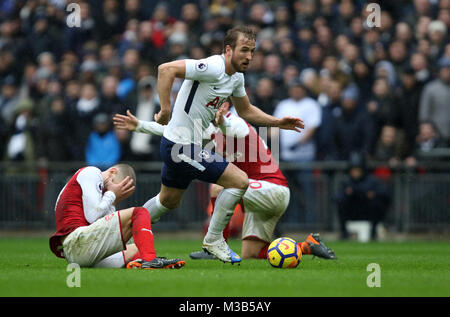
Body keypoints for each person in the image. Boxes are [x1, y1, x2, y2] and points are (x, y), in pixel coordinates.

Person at [140, 26, 304, 264]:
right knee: (239, 181)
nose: (249, 56)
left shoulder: (236, 78)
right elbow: (166, 69)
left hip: (184, 146)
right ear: (228, 50)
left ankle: (125, 229)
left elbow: (247, 111)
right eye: (244, 50)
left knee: (168, 201)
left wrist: (277, 122)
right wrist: (165, 109)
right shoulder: (213, 66)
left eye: (252, 51)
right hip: (180, 146)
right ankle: (214, 239)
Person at [113, 103, 336, 261]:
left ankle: (216, 247)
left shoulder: (235, 121)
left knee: (220, 185)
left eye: (219, 105)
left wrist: (222, 123)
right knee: (251, 253)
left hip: (273, 189)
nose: (213, 109)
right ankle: (308, 246)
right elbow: (171, 131)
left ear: (226, 106)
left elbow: (232, 129)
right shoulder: (208, 129)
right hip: (260, 195)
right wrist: (139, 126)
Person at [49, 163, 185, 269]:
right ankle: (150, 260)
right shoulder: (91, 172)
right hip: (76, 242)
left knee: (139, 244)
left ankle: (143, 261)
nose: (116, 193)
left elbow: (103, 226)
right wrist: (112, 194)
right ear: (112, 172)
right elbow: (93, 216)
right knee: (139, 212)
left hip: (82, 252)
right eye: (119, 187)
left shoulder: (99, 192)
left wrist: (113, 200)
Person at [336, 153, 391, 241]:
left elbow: (386, 194)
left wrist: (374, 194)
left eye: (358, 170)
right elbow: (337, 198)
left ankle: (373, 232)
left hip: (368, 213)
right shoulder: (346, 181)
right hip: (352, 213)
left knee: (376, 203)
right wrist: (346, 194)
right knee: (341, 202)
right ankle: (344, 233)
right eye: (353, 170)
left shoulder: (372, 181)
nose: (355, 173)